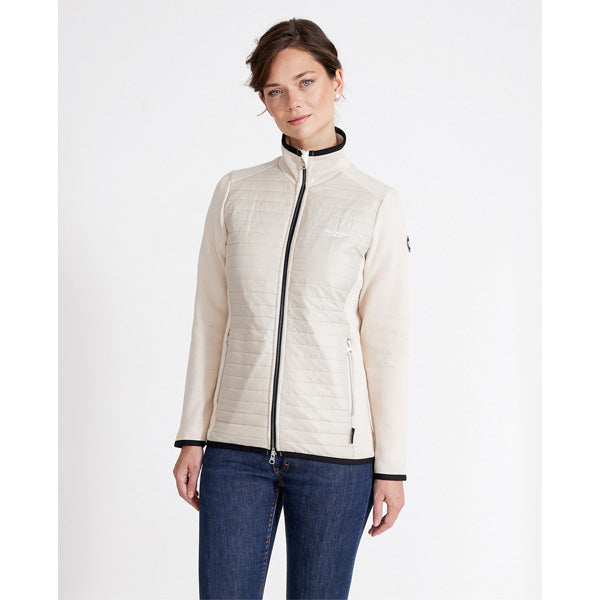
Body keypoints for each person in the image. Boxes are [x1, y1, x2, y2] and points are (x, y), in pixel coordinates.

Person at [172, 17, 411, 600]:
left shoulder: (375, 203)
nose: (293, 103)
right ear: (263, 101)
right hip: (235, 450)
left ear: (336, 80)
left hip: (336, 460)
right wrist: (192, 435)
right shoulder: (235, 192)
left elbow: (385, 340)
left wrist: (391, 466)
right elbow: (210, 319)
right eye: (275, 91)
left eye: (306, 82)